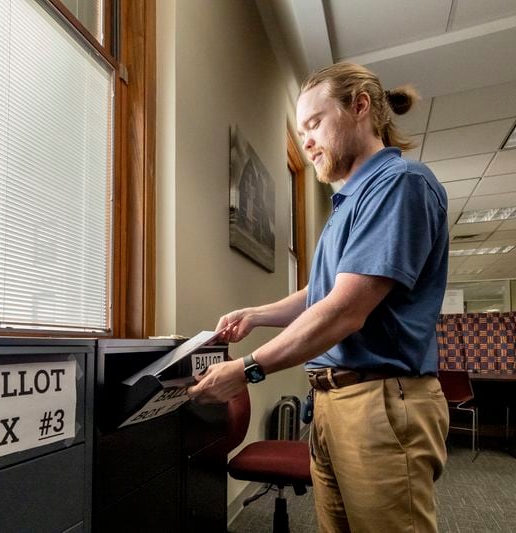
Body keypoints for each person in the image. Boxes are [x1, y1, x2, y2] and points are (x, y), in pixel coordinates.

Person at [187, 62, 450, 533]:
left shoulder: (399, 185)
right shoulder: (347, 204)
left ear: (360, 108)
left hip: (381, 403)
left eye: (315, 123)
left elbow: (345, 309)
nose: (306, 140)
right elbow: (322, 293)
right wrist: (258, 313)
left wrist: (248, 369)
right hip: (332, 402)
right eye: (301, 129)